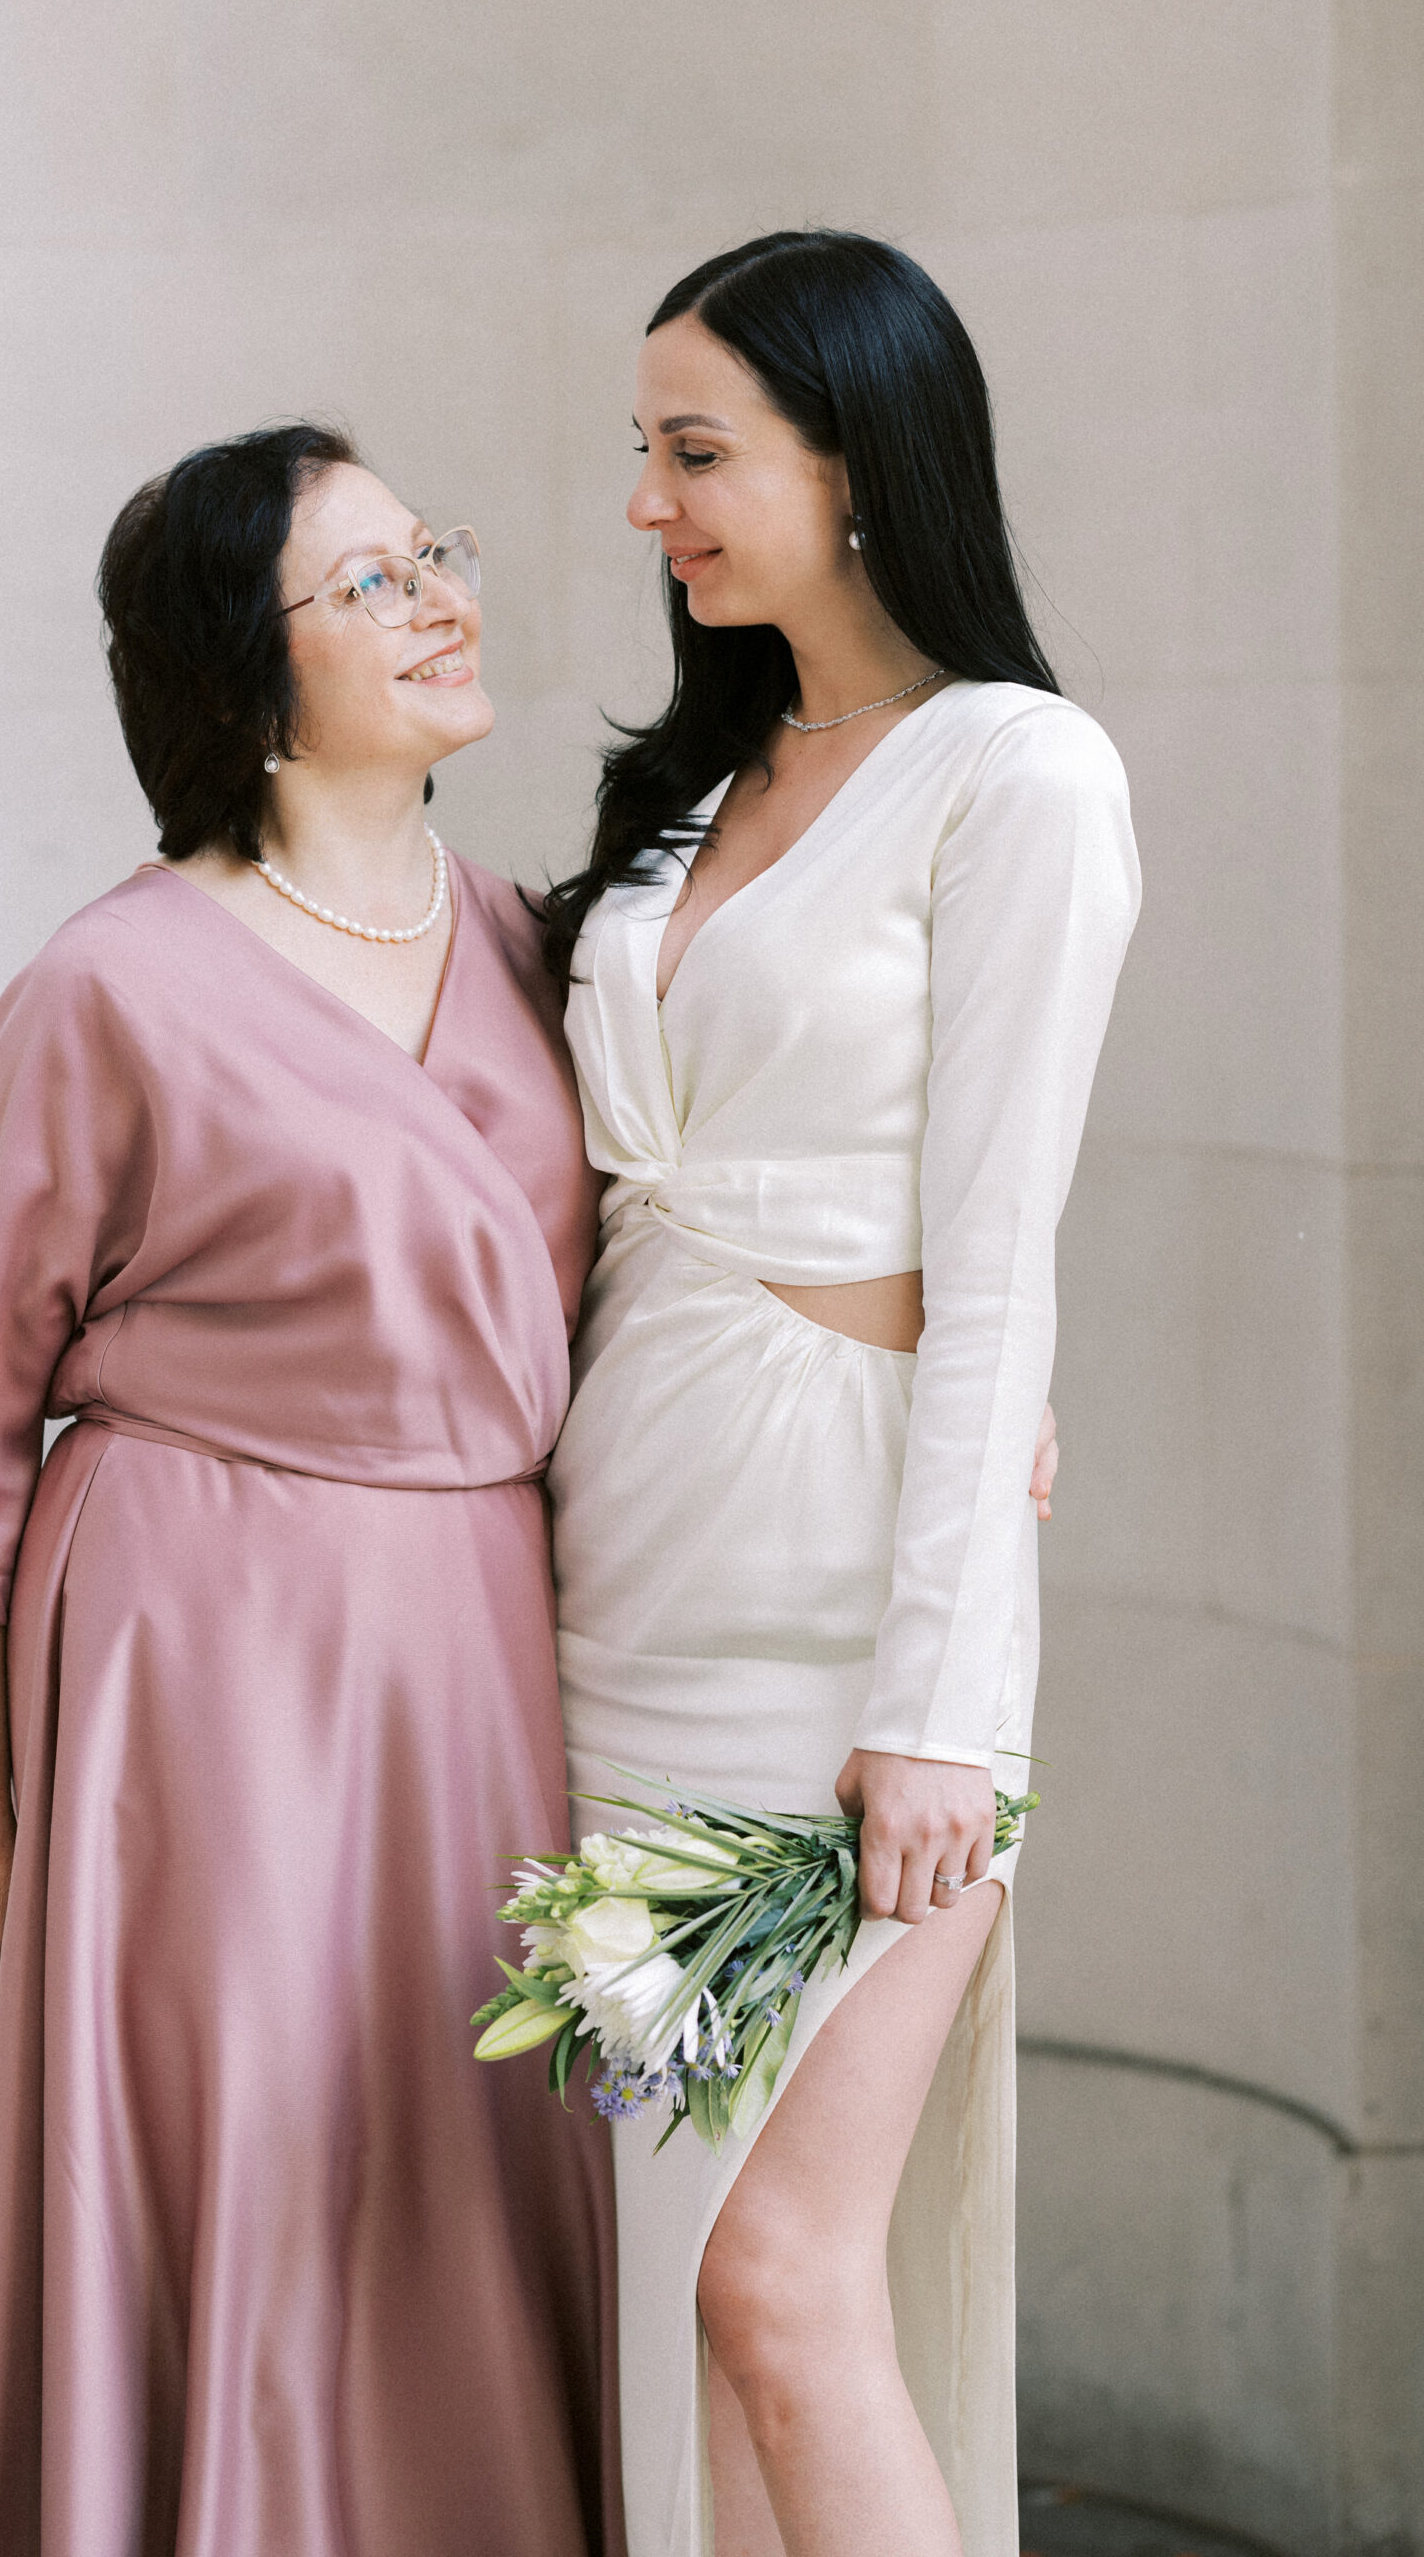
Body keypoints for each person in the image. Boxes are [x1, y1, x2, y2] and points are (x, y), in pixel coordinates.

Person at [0, 424, 624, 2556]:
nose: (440, 602)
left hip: (478, 1665)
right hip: (195, 1674)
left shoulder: (534, 944)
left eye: (436, 555)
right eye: (374, 581)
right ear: (241, 663)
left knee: (466, 2171)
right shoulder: (103, 985)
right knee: (264, 2188)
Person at [543, 232, 1141, 2557]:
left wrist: (942, 1703)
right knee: (678, 2288)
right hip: (624, 1587)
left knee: (782, 2281)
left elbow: (995, 1266)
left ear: (857, 461)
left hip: (849, 1622)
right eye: (643, 454)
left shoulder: (1015, 771)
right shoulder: (692, 795)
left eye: (693, 453)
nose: (647, 507)